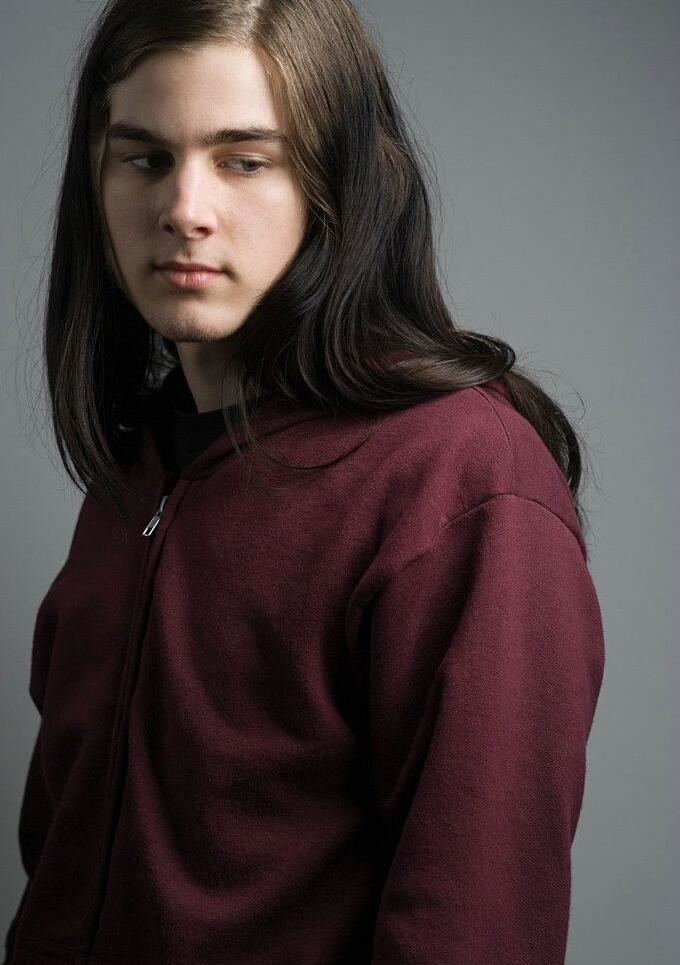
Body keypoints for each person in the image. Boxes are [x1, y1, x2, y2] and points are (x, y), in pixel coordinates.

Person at [3, 1, 605, 963]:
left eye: (245, 160)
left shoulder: (461, 482)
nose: (184, 209)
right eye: (144, 158)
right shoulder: (132, 479)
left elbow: (473, 929)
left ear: (334, 181)